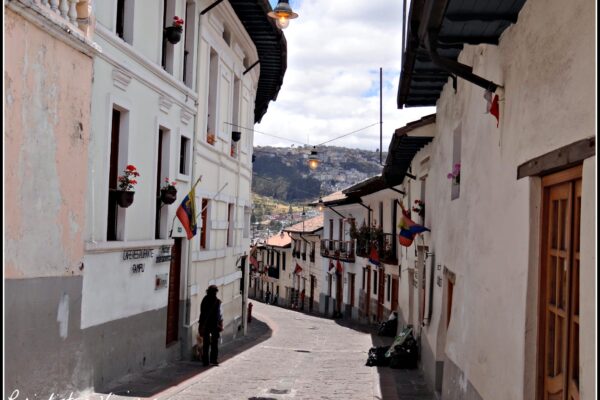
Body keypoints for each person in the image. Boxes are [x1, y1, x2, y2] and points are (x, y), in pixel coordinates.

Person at [198, 285, 223, 366]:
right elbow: (220, 314)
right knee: (214, 343)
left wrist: (201, 324)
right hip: (214, 325)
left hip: (205, 324)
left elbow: (202, 313)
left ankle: (206, 361)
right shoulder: (217, 301)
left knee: (206, 343)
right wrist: (220, 324)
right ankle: (213, 360)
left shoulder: (204, 300)